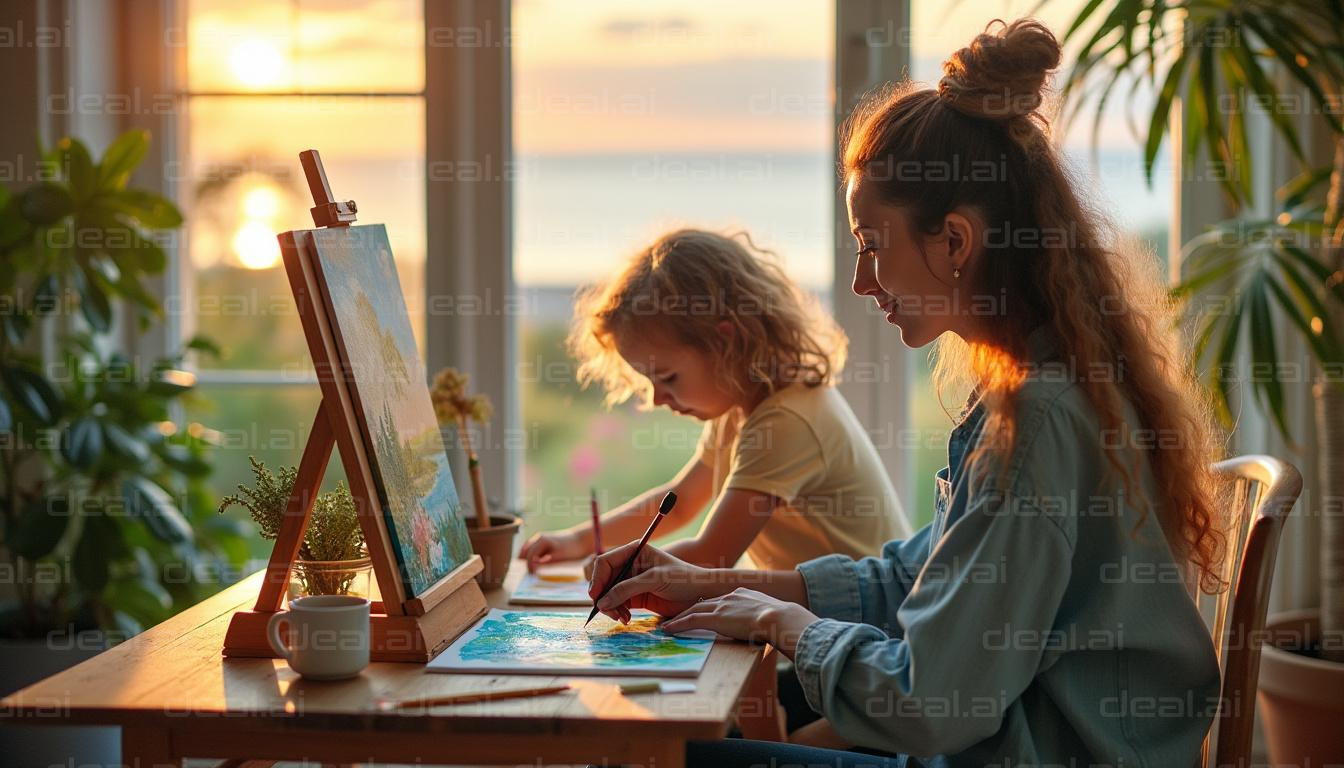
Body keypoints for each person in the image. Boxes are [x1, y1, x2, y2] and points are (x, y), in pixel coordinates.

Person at [586, 18, 1226, 768]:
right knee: (686, 719)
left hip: (1032, 753)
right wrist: (711, 584)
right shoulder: (1032, 395)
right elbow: (910, 576)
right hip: (1014, 739)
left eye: (872, 246)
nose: (862, 283)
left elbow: (931, 704)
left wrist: (778, 622)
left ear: (954, 241)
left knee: (648, 752)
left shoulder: (1040, 423)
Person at [519, 228, 909, 572]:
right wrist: (580, 541)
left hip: (868, 631)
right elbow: (682, 500)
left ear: (725, 343)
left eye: (667, 377)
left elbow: (712, 557)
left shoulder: (786, 420)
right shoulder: (744, 406)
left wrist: (624, 568)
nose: (656, 398)